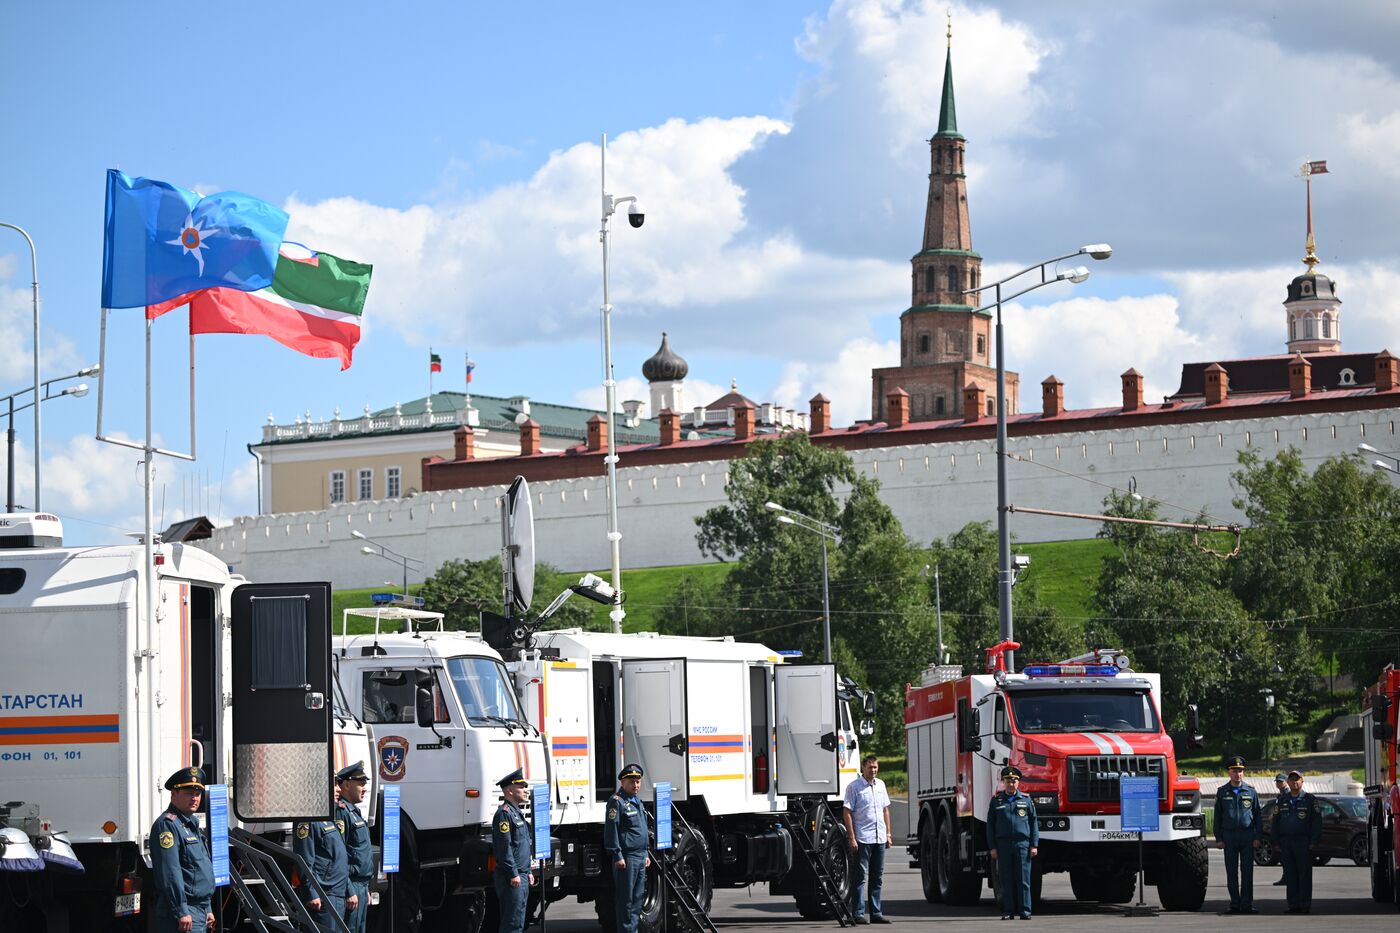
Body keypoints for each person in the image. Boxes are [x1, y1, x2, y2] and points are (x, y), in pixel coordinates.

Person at [149, 766, 215, 933]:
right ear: (173, 794)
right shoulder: (167, 825)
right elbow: (170, 871)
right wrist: (181, 911)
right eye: (188, 793)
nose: (194, 798)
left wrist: (207, 908)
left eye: (197, 793)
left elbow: (199, 869)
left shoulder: (191, 824)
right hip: (184, 911)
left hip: (198, 910)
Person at [842, 754, 892, 924]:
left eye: (876, 767)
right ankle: (858, 913)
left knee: (877, 876)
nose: (873, 770)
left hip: (879, 837)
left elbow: (885, 810)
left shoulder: (881, 785)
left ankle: (876, 913)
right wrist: (852, 837)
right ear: (863, 768)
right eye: (870, 767)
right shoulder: (854, 787)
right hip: (863, 837)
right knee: (860, 876)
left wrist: (888, 834)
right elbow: (847, 812)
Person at [294, 779, 350, 931]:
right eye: (334, 785)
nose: (338, 789)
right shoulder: (307, 817)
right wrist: (310, 892)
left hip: (337, 894)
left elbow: (339, 858)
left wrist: (348, 890)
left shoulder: (329, 817)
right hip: (324, 896)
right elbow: (304, 859)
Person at [603, 763, 650, 933]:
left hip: (640, 856)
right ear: (622, 782)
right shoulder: (617, 802)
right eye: (631, 781)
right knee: (626, 902)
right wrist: (617, 855)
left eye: (638, 782)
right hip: (627, 858)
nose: (635, 785)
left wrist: (646, 852)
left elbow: (642, 829)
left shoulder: (637, 802)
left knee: (637, 900)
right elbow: (611, 830)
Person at [986, 765, 1038, 921]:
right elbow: (990, 826)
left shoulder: (1026, 800)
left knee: (1023, 880)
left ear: (1018, 783)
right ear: (1003, 782)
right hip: (1003, 845)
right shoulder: (996, 801)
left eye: (1014, 781)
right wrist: (993, 847)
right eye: (1008, 781)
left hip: (1022, 844)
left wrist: (1034, 845)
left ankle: (1025, 911)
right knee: (1006, 880)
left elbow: (1033, 823)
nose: (1011, 784)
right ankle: (1008, 911)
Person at [1213, 755, 1261, 913]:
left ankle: (1247, 904)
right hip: (1229, 836)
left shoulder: (1251, 792)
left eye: (1240, 771)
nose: (1237, 774)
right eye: (1234, 771)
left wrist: (1257, 837)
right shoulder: (1222, 792)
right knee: (1231, 872)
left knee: (1247, 872)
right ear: (1229, 773)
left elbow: (1258, 816)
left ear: (1243, 773)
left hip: (1247, 836)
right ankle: (1235, 904)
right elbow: (1217, 818)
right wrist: (1218, 838)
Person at [1270, 769, 1322, 914]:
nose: (1294, 782)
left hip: (1303, 842)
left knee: (1304, 875)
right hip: (1286, 843)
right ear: (1288, 782)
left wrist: (1314, 841)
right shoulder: (1282, 800)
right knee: (1290, 875)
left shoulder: (1310, 800)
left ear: (1302, 781)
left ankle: (1304, 905)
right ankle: (1293, 905)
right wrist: (1275, 842)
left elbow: (1317, 822)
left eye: (1297, 779)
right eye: (1291, 779)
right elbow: (1276, 822)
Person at [492, 768, 535, 933]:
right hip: (512, 877)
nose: (525, 790)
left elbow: (522, 845)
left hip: (521, 874)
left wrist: (528, 870)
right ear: (510, 790)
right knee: (512, 923)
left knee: (519, 921)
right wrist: (513, 873)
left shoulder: (517, 813)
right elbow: (505, 848)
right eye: (521, 786)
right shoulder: (504, 814)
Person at [336, 761, 374, 933]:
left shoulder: (354, 812)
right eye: (360, 783)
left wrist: (365, 888)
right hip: (351, 885)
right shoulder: (341, 812)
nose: (364, 788)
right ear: (346, 784)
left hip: (361, 886)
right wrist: (349, 889)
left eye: (365, 783)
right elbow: (339, 855)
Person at [1271, 773, 1289, 886]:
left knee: (1286, 857)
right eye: (1277, 781)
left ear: (1286, 782)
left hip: (1286, 830)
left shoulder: (1288, 794)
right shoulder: (1281, 795)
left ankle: (1288, 877)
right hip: (1280, 829)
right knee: (1283, 857)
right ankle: (1286, 876)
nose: (1278, 783)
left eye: (1281, 781)